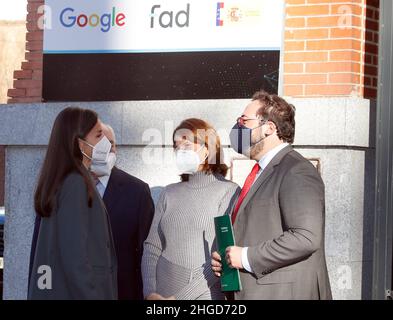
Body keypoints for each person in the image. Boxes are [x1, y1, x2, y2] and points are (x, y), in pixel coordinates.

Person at [211, 90, 332, 300]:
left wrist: (246, 257)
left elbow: (306, 237)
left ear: (269, 127)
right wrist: (228, 259)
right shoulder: (262, 172)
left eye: (244, 121)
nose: (237, 127)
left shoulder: (296, 170)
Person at [142, 118, 240, 300]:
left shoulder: (229, 191)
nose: (180, 150)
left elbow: (223, 254)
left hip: (204, 295)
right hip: (160, 295)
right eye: (177, 146)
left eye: (186, 144)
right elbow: (152, 246)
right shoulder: (168, 192)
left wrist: (180, 298)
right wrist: (150, 293)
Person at [28, 107, 118, 300]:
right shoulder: (75, 182)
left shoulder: (65, 179)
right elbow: (74, 256)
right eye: (98, 136)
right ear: (80, 144)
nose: (105, 144)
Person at [90, 124, 155, 300]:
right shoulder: (68, 189)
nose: (107, 149)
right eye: (100, 143)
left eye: (111, 144)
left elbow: (146, 252)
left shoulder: (137, 191)